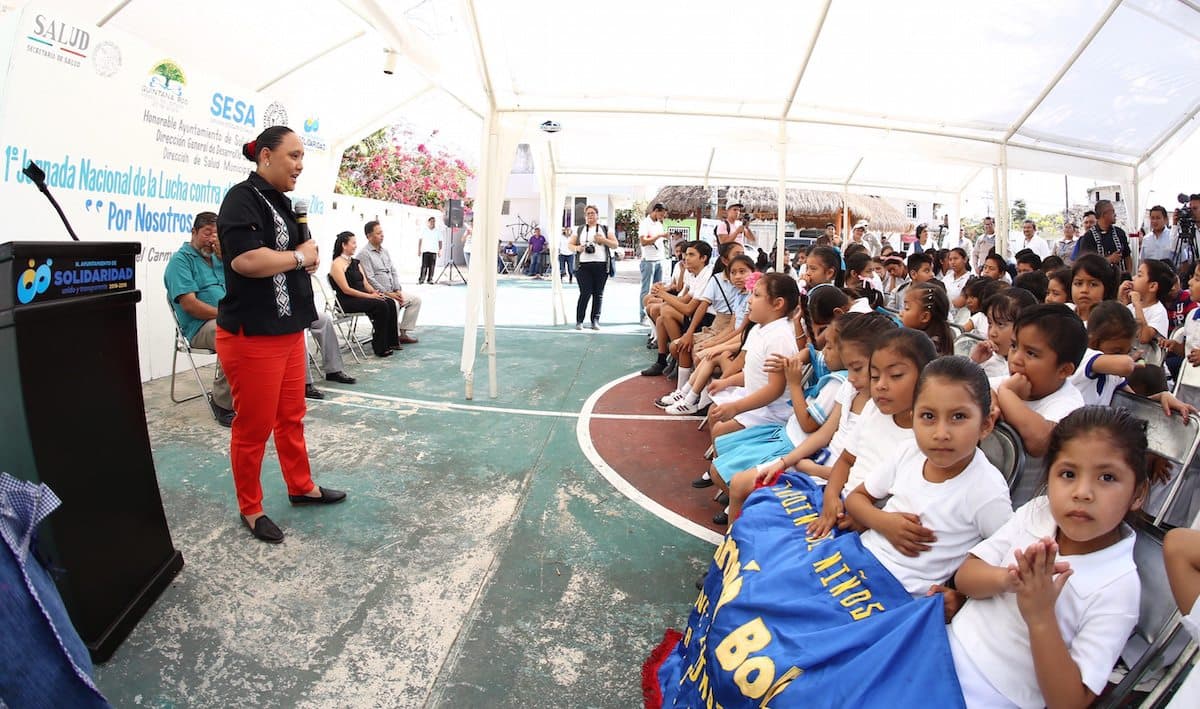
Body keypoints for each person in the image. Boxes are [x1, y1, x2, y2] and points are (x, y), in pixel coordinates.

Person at [949, 406, 1153, 708]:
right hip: (945, 646)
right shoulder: (1038, 511)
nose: (1083, 492)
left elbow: (1069, 702)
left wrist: (1040, 615)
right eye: (1068, 474)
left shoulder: (1119, 586)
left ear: (1138, 493)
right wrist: (1009, 579)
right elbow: (965, 576)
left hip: (993, 695)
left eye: (1107, 477)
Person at [216, 126, 346, 544]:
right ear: (266, 156)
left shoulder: (284, 203)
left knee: (291, 417)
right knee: (253, 427)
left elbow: (294, 257)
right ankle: (251, 508)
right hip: (253, 335)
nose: (300, 164)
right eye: (292, 155)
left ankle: (300, 485)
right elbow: (246, 261)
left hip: (288, 329)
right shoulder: (241, 199)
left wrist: (304, 259)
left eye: (302, 155)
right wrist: (296, 257)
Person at [845, 356, 1013, 598]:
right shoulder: (908, 452)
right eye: (928, 417)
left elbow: (1002, 558)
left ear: (985, 425)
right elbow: (856, 499)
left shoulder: (987, 491)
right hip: (856, 559)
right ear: (913, 418)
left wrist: (957, 594)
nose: (941, 433)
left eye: (958, 417)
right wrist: (884, 522)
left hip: (897, 595)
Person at [166, 213, 354, 423]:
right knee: (235, 333)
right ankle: (221, 401)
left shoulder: (220, 258)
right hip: (200, 326)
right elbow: (190, 306)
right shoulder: (181, 261)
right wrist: (230, 314)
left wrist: (225, 258)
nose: (212, 240)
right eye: (206, 234)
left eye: (216, 235)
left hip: (234, 314)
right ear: (193, 232)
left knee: (288, 321)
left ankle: (299, 383)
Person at [810, 328, 939, 537]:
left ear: (926, 377)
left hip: (872, 525)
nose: (880, 386)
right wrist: (831, 498)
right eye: (875, 376)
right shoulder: (872, 409)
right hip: (838, 504)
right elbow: (845, 460)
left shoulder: (928, 438)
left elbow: (907, 500)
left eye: (896, 376)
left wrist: (868, 519)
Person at [995, 304, 1088, 506]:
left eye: (1031, 354)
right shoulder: (1002, 382)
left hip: (1023, 509)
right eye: (1013, 346)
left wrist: (1007, 395)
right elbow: (973, 392)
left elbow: (1041, 441)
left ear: (1064, 370)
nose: (1016, 359)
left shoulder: (1068, 403)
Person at [329, 231, 400, 357]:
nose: (356, 246)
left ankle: (391, 341)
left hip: (362, 297)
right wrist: (371, 297)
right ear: (344, 245)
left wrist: (375, 293)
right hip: (347, 301)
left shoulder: (355, 262)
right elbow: (346, 290)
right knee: (380, 305)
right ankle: (380, 346)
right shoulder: (337, 264)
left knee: (388, 301)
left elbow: (366, 284)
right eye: (353, 243)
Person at [358, 220, 421, 345]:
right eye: (378, 233)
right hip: (380, 293)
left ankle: (403, 333)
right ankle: (394, 336)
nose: (382, 235)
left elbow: (393, 271)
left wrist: (397, 290)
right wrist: (389, 294)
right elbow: (370, 278)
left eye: (382, 232)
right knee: (394, 304)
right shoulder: (364, 254)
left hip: (393, 290)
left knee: (415, 300)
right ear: (369, 236)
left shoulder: (384, 251)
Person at [569, 205, 619, 330]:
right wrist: (577, 248)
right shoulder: (579, 229)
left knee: (598, 294)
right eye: (588, 214)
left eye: (592, 213)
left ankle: (595, 320)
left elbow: (615, 245)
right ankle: (579, 321)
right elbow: (570, 244)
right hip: (583, 265)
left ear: (597, 215)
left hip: (601, 265)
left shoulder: (606, 229)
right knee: (585, 293)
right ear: (585, 216)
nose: (590, 216)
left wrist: (603, 240)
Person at [1077, 199, 1131, 275]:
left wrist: (1128, 275)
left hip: (1120, 281)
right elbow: (1086, 263)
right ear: (1104, 214)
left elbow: (1127, 256)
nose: (1115, 214)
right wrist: (1108, 260)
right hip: (1100, 282)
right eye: (1112, 211)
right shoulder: (1088, 237)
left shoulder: (1119, 233)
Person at [900, 282, 954, 356]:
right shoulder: (913, 341)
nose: (901, 313)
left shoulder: (926, 351)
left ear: (925, 317)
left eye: (907, 308)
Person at [639, 203, 669, 324]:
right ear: (655, 211)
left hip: (660, 259)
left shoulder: (659, 224)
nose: (662, 217)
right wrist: (660, 235)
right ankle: (643, 315)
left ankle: (654, 313)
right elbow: (643, 241)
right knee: (646, 289)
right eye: (661, 214)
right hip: (648, 260)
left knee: (658, 290)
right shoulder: (645, 223)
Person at [1070, 253, 1118, 324]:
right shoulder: (1063, 317)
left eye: (1093, 284)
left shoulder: (1109, 324)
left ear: (1106, 288)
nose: (1084, 290)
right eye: (1079, 283)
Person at [417, 216, 441, 284]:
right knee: (424, 266)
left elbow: (440, 241)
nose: (433, 223)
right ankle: (421, 279)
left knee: (432, 266)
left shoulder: (437, 231)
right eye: (431, 221)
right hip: (425, 250)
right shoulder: (424, 230)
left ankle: (430, 279)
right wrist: (419, 250)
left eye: (434, 221)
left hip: (433, 251)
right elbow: (420, 240)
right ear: (428, 222)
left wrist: (440, 250)